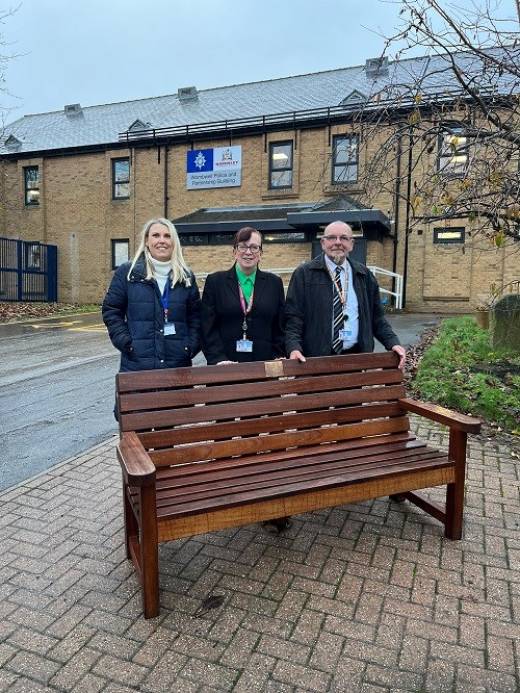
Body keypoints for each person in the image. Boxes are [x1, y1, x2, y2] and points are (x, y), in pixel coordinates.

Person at [285, 220, 406, 368]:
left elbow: (377, 318)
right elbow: (293, 317)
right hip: (313, 360)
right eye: (331, 238)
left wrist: (393, 343)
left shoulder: (364, 275)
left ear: (352, 244)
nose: (338, 242)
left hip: (354, 360)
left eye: (343, 238)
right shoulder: (304, 274)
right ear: (323, 243)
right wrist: (293, 348)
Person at [102, 218, 201, 386]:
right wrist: (127, 343)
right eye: (156, 235)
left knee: (177, 412)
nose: (162, 240)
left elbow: (196, 317)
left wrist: (189, 347)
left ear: (173, 242)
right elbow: (111, 311)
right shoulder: (129, 273)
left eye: (167, 236)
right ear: (147, 241)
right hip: (137, 366)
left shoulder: (186, 277)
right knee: (138, 412)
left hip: (177, 366)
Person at [201, 226, 285, 365]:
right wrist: (218, 359)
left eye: (254, 247)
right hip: (225, 366)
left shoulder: (274, 283)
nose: (248, 252)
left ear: (261, 253)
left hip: (264, 365)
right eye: (243, 247)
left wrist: (277, 356)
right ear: (234, 252)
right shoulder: (215, 282)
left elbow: (280, 326)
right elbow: (207, 327)